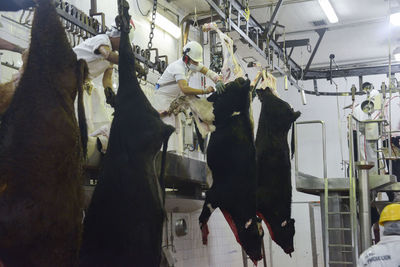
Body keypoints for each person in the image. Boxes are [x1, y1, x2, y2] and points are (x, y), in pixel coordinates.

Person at [152, 41, 224, 153]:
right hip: (163, 99)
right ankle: (166, 156)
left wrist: (217, 80)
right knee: (169, 130)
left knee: (177, 130)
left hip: (174, 100)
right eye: (194, 61)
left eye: (197, 62)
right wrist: (204, 91)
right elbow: (184, 89)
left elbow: (208, 72)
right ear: (186, 58)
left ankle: (176, 155)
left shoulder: (191, 64)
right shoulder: (178, 67)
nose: (196, 64)